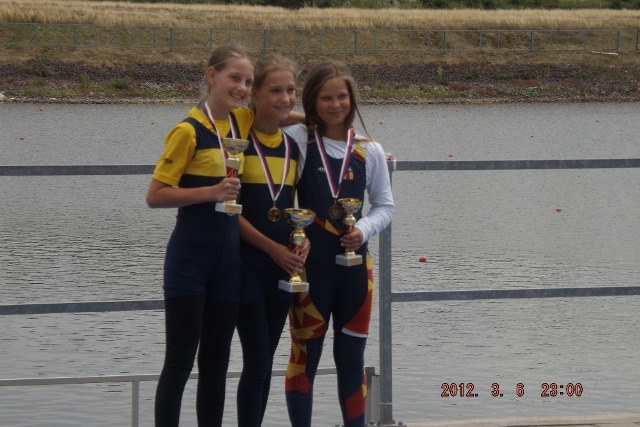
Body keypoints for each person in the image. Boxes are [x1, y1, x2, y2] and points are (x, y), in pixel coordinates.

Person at [146, 43, 255, 427]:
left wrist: (342, 130)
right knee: (179, 361)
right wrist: (212, 192)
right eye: (235, 78)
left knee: (216, 363)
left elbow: (280, 111)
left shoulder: (242, 121)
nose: (242, 88)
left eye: (248, 82)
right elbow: (155, 196)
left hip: (227, 263)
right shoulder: (187, 130)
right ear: (212, 75)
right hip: (189, 260)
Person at [282, 62, 394, 427]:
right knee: (304, 359)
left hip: (355, 271)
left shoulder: (369, 150)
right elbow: (259, 113)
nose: (335, 105)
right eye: (325, 98)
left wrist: (362, 229)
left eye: (341, 97)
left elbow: (385, 206)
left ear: (352, 99)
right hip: (310, 271)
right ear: (312, 102)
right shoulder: (299, 140)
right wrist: (306, 119)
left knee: (351, 361)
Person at [235, 54, 307, 427]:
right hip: (246, 262)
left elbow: (294, 208)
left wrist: (301, 240)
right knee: (257, 360)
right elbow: (230, 213)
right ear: (255, 93)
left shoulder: (293, 147)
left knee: (266, 362)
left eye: (291, 90)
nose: (285, 98)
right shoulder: (237, 142)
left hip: (283, 266)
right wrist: (272, 248)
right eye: (275, 90)